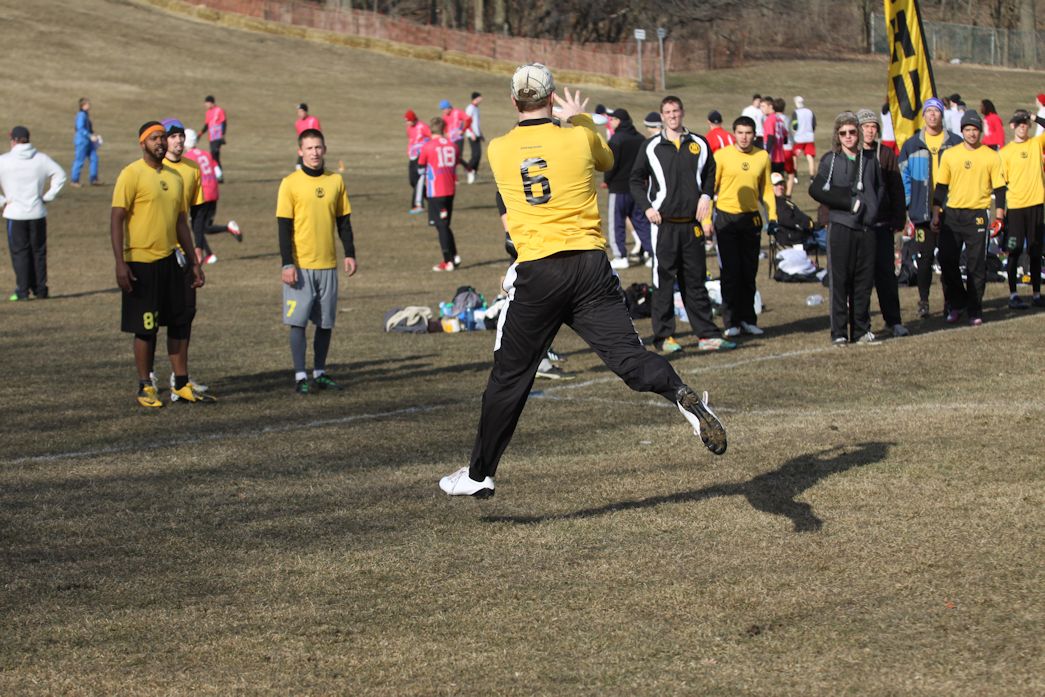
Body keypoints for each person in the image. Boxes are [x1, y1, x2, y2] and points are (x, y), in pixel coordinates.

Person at [438, 63, 727, 498]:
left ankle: (480, 473)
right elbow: (607, 160)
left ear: (514, 102)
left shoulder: (498, 149)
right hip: (590, 267)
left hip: (539, 270)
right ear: (551, 97)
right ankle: (680, 395)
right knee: (629, 359)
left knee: (509, 377)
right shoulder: (578, 137)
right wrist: (580, 119)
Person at [110, 121, 207, 407]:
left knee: (179, 321)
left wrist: (193, 262)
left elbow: (181, 223)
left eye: (163, 137)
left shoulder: (175, 177)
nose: (161, 142)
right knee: (146, 327)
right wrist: (120, 263)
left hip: (171, 261)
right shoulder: (131, 174)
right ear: (143, 143)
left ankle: (181, 383)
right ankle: (146, 386)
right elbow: (116, 218)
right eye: (154, 138)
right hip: (140, 262)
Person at [630, 95, 734, 354]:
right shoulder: (651, 146)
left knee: (695, 280)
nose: (673, 115)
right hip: (663, 225)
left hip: (691, 225)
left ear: (682, 112)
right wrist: (647, 208)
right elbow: (635, 180)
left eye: (676, 111)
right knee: (663, 281)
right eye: (668, 112)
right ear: (662, 116)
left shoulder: (699, 143)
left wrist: (706, 196)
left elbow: (710, 173)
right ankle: (664, 336)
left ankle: (707, 335)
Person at [276, 128, 357, 394]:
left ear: (325, 149)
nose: (314, 152)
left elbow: (344, 222)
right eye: (309, 148)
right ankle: (300, 376)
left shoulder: (336, 181)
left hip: (327, 264)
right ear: (300, 151)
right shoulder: (290, 183)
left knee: (325, 323)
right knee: (297, 322)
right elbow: (283, 227)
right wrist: (287, 263)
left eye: (318, 147)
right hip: (300, 266)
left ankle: (320, 372)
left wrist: (350, 253)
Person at [809, 112, 884, 345]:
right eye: (843, 133)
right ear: (837, 136)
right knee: (840, 281)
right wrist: (847, 202)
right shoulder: (831, 160)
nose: (848, 136)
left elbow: (879, 188)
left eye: (852, 132)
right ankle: (839, 332)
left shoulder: (870, 159)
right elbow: (816, 190)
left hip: (867, 228)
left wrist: (872, 211)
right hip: (841, 226)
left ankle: (861, 330)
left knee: (863, 282)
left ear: (858, 133)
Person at [932, 110, 1006, 326]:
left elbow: (1000, 189)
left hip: (978, 215)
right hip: (952, 214)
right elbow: (941, 187)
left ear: (980, 132)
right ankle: (958, 303)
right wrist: (936, 213)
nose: (972, 133)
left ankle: (974, 309)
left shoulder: (991, 156)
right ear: (962, 131)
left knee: (976, 265)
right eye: (968, 129)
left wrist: (999, 217)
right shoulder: (950, 155)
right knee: (946, 260)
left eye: (975, 129)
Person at [707, 115, 776, 337]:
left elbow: (767, 189)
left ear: (754, 135)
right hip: (726, 219)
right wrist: (706, 220)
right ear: (734, 133)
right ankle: (731, 322)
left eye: (748, 133)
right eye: (740, 133)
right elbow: (709, 190)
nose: (744, 137)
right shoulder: (721, 155)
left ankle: (748, 319)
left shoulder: (762, 156)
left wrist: (772, 217)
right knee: (730, 272)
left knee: (749, 272)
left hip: (751, 219)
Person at [159, 119, 212, 399]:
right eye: (172, 136)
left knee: (185, 315)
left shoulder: (191, 169)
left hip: (184, 253)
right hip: (156, 252)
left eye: (180, 136)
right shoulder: (154, 168)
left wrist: (198, 248)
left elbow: (197, 215)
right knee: (152, 318)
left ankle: (180, 378)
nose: (178, 141)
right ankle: (147, 378)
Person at [898, 97, 963, 318]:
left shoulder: (955, 142)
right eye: (929, 111)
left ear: (941, 115)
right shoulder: (911, 145)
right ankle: (923, 300)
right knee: (924, 259)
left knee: (948, 259)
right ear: (924, 115)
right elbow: (904, 178)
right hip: (921, 211)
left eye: (936, 111)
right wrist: (909, 203)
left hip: (950, 209)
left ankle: (949, 301)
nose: (932, 115)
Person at [857, 109, 909, 337]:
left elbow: (897, 188)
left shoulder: (886, 154)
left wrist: (899, 217)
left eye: (873, 126)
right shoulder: (851, 153)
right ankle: (861, 325)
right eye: (865, 126)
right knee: (861, 277)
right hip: (858, 226)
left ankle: (893, 320)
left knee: (886, 275)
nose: (869, 131)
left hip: (882, 224)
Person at [0, 125, 66, 301]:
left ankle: (22, 291)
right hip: (37, 212)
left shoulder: (4, 160)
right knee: (38, 252)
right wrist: (48, 196)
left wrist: (2, 201)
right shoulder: (41, 159)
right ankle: (41, 289)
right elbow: (60, 175)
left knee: (20, 253)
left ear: (13, 140)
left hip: (15, 214)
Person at [999, 110, 1045, 308]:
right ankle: (1013, 295)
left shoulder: (1036, 144)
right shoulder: (1005, 152)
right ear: (1012, 126)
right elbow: (1000, 184)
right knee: (1014, 250)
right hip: (1016, 208)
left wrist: (1035, 117)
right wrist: (1000, 213)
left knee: (1035, 250)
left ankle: (1036, 294)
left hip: (1036, 205)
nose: (1022, 127)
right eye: (1019, 123)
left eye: (1025, 123)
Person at [183, 128, 241, 265]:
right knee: (204, 227)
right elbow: (218, 173)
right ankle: (211, 252)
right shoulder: (206, 154)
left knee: (197, 226)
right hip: (213, 192)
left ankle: (205, 255)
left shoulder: (186, 158)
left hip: (201, 194)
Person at [604, 108, 652, 268]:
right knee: (642, 222)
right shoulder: (640, 138)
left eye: (612, 119)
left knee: (617, 223)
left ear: (619, 121)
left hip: (618, 188)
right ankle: (652, 254)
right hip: (638, 189)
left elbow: (610, 164)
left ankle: (620, 256)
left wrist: (607, 180)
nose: (610, 122)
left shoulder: (616, 139)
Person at [417, 117, 461, 272]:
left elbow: (420, 168)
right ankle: (454, 255)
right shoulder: (453, 145)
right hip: (450, 190)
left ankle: (448, 261)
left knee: (441, 226)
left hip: (436, 191)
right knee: (445, 224)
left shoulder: (428, 146)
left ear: (430, 129)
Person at [404, 109, 431, 214]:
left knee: (418, 179)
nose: (407, 123)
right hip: (413, 156)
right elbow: (411, 140)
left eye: (408, 120)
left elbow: (431, 137)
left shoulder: (422, 126)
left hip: (421, 156)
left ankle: (417, 205)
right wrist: (409, 150)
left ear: (413, 119)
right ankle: (430, 198)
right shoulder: (409, 128)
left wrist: (425, 148)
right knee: (412, 181)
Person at [70, 97, 101, 187]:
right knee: (79, 160)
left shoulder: (85, 115)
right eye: (87, 104)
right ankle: (74, 180)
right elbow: (80, 128)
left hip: (88, 142)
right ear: (83, 105)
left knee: (94, 158)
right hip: (82, 142)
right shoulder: (81, 115)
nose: (89, 105)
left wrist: (93, 134)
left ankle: (93, 178)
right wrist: (89, 135)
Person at [199, 95, 226, 182]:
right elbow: (207, 125)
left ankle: (219, 176)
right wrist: (200, 134)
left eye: (206, 103)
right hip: (211, 138)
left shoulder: (219, 110)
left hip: (218, 137)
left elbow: (223, 122)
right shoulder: (208, 112)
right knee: (215, 157)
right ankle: (219, 176)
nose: (205, 105)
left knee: (214, 154)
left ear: (211, 103)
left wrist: (223, 135)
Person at [791, 96, 816, 181]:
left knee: (794, 156)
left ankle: (795, 176)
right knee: (810, 157)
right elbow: (813, 125)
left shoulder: (795, 112)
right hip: (809, 138)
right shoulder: (810, 111)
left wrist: (794, 132)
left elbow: (795, 126)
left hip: (799, 138)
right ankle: (812, 177)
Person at [439, 99, 470, 164]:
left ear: (448, 107)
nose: (443, 111)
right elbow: (444, 127)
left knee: (458, 158)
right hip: (450, 140)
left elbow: (468, 119)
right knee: (451, 158)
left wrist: (463, 130)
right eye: (442, 109)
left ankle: (470, 169)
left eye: (444, 109)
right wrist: (445, 134)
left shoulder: (458, 112)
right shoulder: (444, 116)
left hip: (459, 139)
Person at [294, 103, 321, 170]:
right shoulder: (297, 123)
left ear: (305, 111)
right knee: (298, 166)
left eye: (301, 111)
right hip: (304, 148)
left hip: (312, 147)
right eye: (298, 112)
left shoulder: (313, 120)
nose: (299, 114)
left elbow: (318, 135)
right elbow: (299, 136)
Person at [464, 91, 483, 183]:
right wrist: (472, 133)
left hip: (477, 134)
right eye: (480, 97)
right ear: (475, 98)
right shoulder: (470, 108)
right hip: (471, 134)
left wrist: (481, 134)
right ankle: (469, 170)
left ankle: (474, 172)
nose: (481, 99)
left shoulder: (477, 108)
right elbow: (467, 122)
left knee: (478, 155)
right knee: (475, 155)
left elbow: (476, 123)